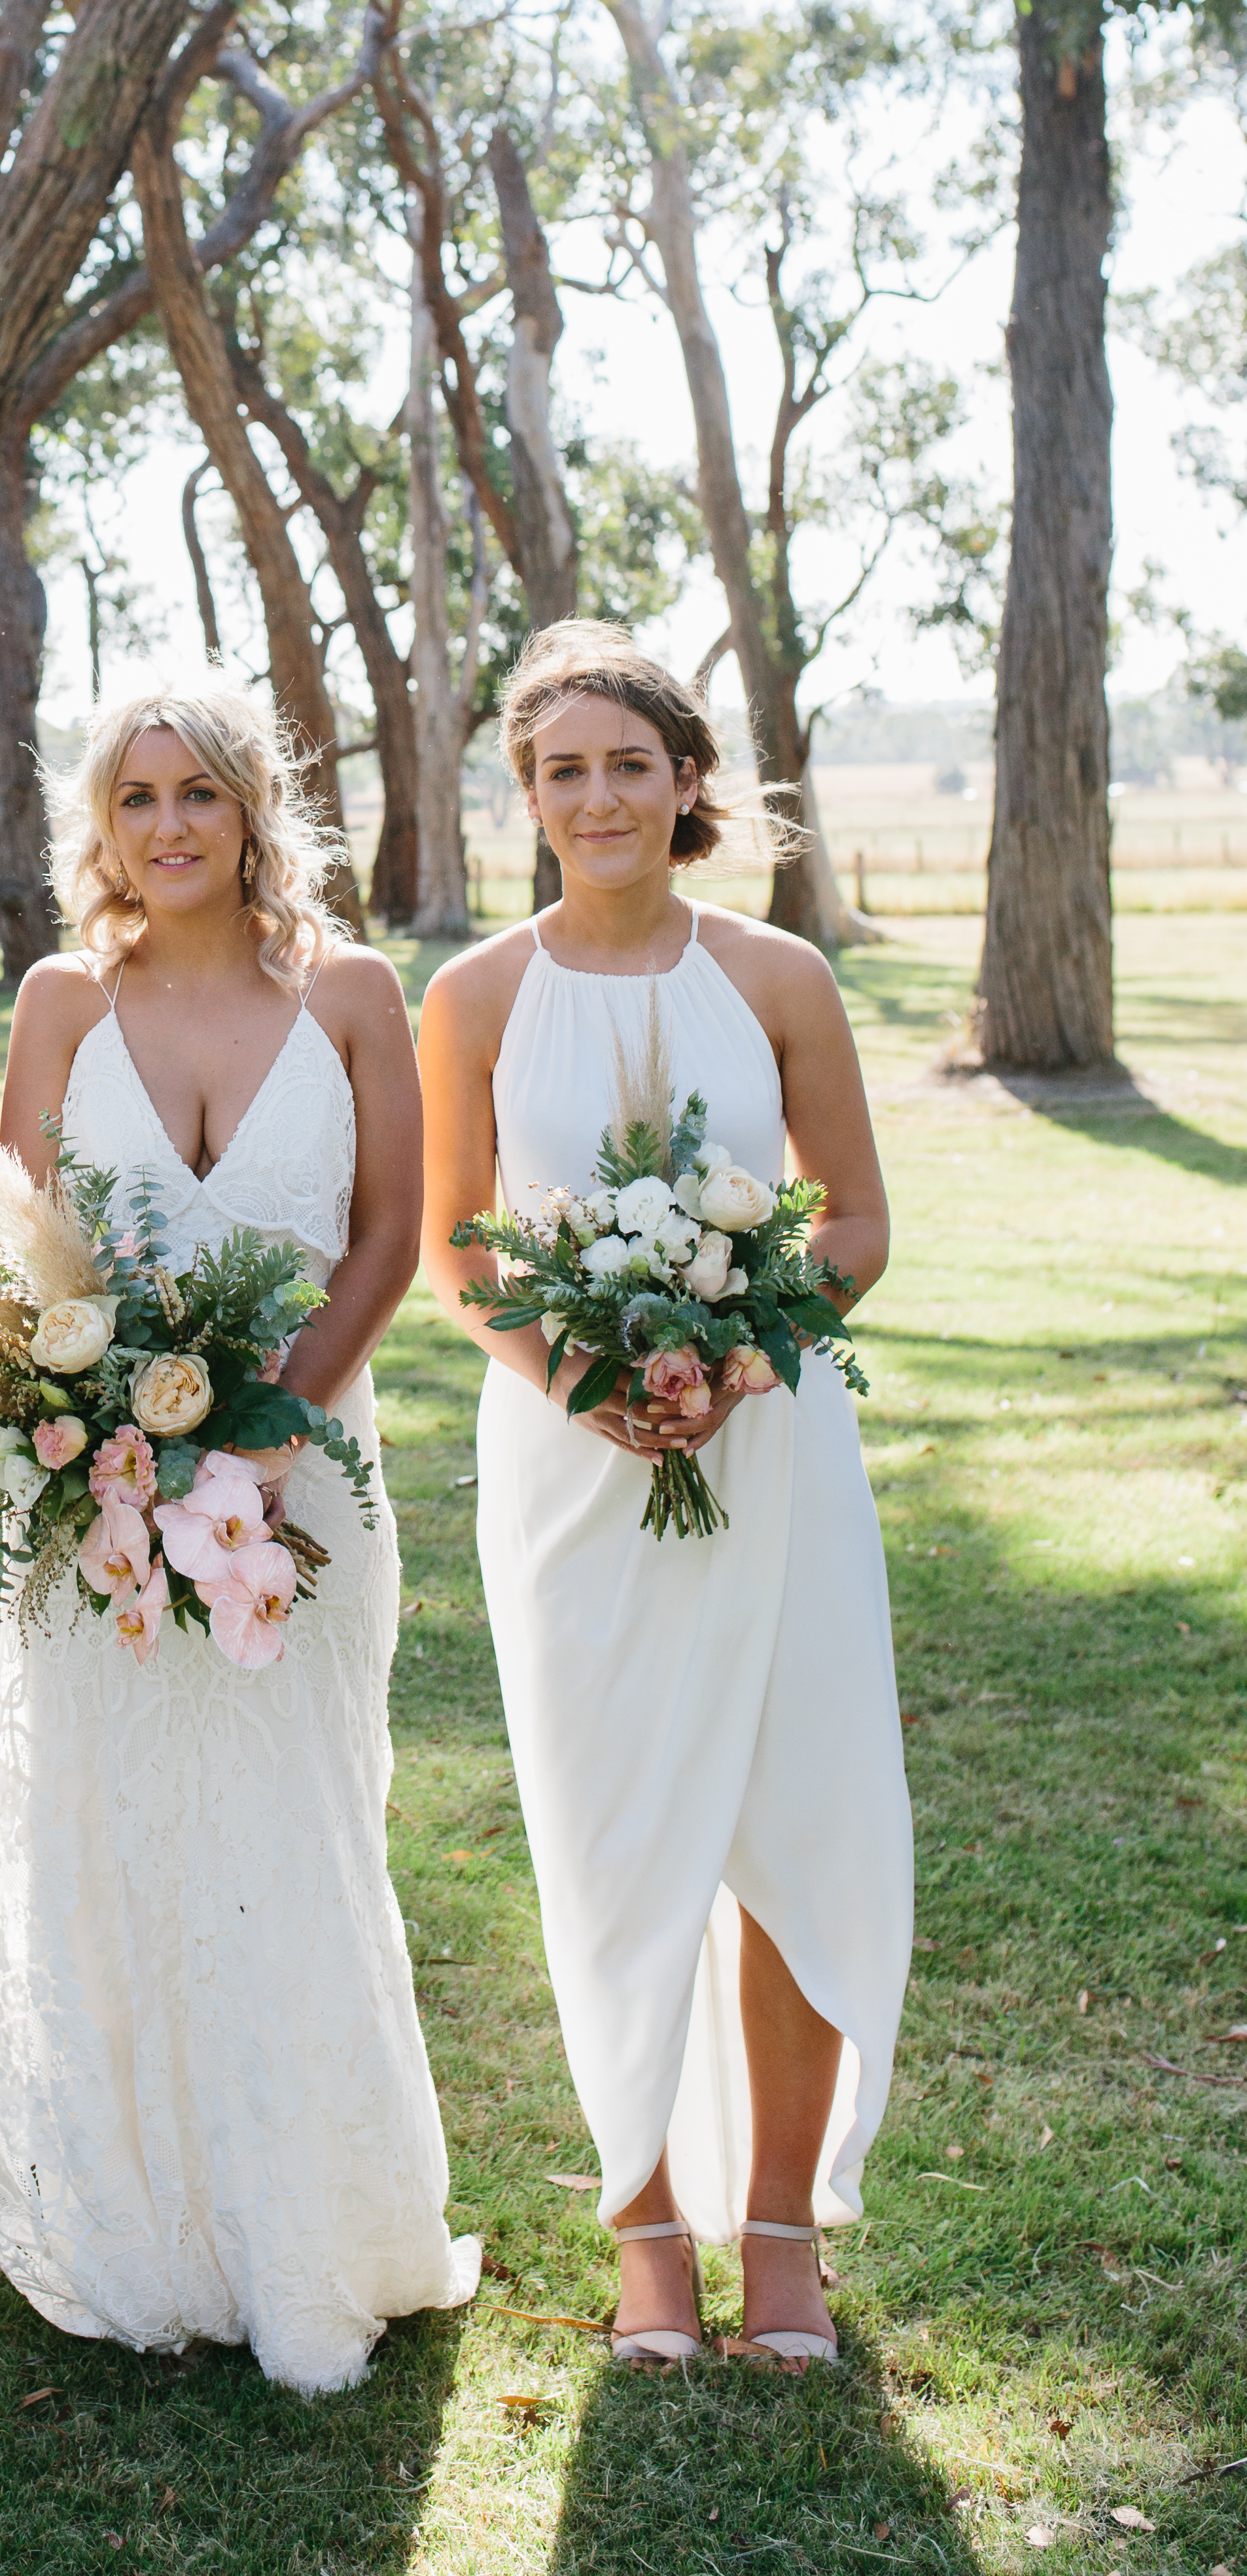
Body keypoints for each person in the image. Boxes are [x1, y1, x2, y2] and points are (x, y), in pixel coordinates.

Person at [0, 676, 479, 2395]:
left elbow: (390, 1233)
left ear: (252, 814)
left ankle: (309, 2232)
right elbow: (19, 1259)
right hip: (99, 1482)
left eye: (199, 796)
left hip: (310, 1468)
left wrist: (282, 1421)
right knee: (118, 1810)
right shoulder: (64, 1002)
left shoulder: (360, 994)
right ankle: (135, 2210)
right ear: (106, 825)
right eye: (137, 798)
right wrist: (105, 1449)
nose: (168, 828)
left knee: (299, 1810)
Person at [418, 621, 911, 2372]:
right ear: (527, 796)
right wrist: (592, 1384)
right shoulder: (472, 995)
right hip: (572, 1470)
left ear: (688, 781)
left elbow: (850, 1222)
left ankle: (777, 2230)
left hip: (771, 1448)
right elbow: (456, 1252)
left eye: (631, 763)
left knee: (779, 1825)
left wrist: (744, 1360)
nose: (597, 794)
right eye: (562, 769)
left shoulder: (776, 976)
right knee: (614, 1844)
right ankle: (644, 2226)